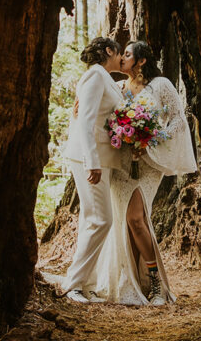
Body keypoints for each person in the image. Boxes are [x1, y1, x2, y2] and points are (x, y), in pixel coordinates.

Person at [93, 40, 197, 306]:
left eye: (128, 54)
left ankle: (157, 286)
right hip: (123, 163)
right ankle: (130, 283)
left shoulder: (161, 85)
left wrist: (152, 138)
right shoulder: (118, 88)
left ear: (141, 61)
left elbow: (177, 119)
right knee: (125, 222)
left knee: (136, 218)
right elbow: (99, 110)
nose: (123, 58)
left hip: (148, 163)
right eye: (122, 54)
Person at [61, 36, 124, 303]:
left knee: (92, 219)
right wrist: (92, 162)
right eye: (119, 52)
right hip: (90, 159)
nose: (122, 58)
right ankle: (73, 284)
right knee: (102, 220)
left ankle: (82, 284)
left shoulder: (105, 78)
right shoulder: (96, 76)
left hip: (101, 158)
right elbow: (85, 121)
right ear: (109, 50)